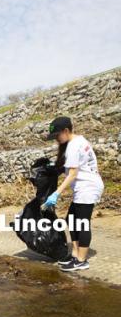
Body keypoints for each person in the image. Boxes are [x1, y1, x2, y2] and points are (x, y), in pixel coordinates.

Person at [43, 116, 104, 272]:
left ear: (66, 131)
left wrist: (55, 194)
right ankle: (76, 255)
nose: (56, 139)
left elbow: (73, 174)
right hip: (86, 186)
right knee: (71, 218)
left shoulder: (73, 146)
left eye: (57, 135)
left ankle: (82, 261)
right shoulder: (78, 140)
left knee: (82, 222)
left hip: (87, 187)